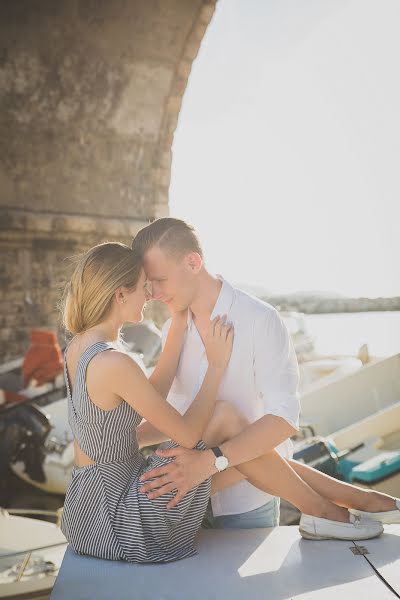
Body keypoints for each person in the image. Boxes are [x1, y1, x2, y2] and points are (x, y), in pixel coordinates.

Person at [60, 241, 396, 565]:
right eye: (145, 288)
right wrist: (216, 365)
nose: (152, 296)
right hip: (123, 521)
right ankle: (328, 512)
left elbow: (144, 399)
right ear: (120, 294)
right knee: (225, 418)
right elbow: (190, 435)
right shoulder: (114, 362)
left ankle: (354, 501)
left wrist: (177, 325)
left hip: (90, 512)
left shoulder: (78, 349)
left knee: (240, 454)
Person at [131, 218, 400, 538]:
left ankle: (349, 504)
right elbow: (176, 419)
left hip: (247, 504)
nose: (155, 294)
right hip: (185, 497)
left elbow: (283, 420)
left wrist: (211, 461)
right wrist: (115, 440)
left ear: (192, 262)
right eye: (150, 283)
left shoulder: (259, 319)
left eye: (159, 280)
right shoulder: (172, 330)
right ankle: (357, 501)